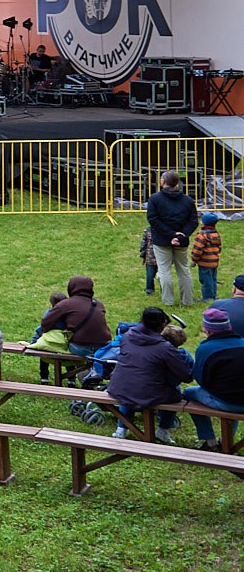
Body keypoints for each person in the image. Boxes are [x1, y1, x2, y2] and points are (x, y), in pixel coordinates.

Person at [108, 306, 193, 444]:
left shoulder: (127, 336)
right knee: (175, 390)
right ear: (162, 325)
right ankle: (163, 430)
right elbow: (186, 376)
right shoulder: (165, 348)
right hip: (147, 392)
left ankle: (121, 428)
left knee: (131, 387)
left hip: (119, 387)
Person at [186, 308, 244, 449]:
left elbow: (201, 379)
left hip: (226, 401)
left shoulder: (206, 348)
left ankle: (209, 439)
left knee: (189, 393)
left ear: (207, 330)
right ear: (229, 326)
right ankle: (226, 442)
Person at [146, 170, 199, 306]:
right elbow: (193, 221)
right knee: (184, 271)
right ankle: (187, 300)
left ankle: (168, 301)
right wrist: (181, 235)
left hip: (162, 240)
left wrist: (171, 235)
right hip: (181, 241)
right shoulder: (188, 200)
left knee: (164, 271)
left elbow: (153, 219)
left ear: (163, 182)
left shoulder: (155, 199)